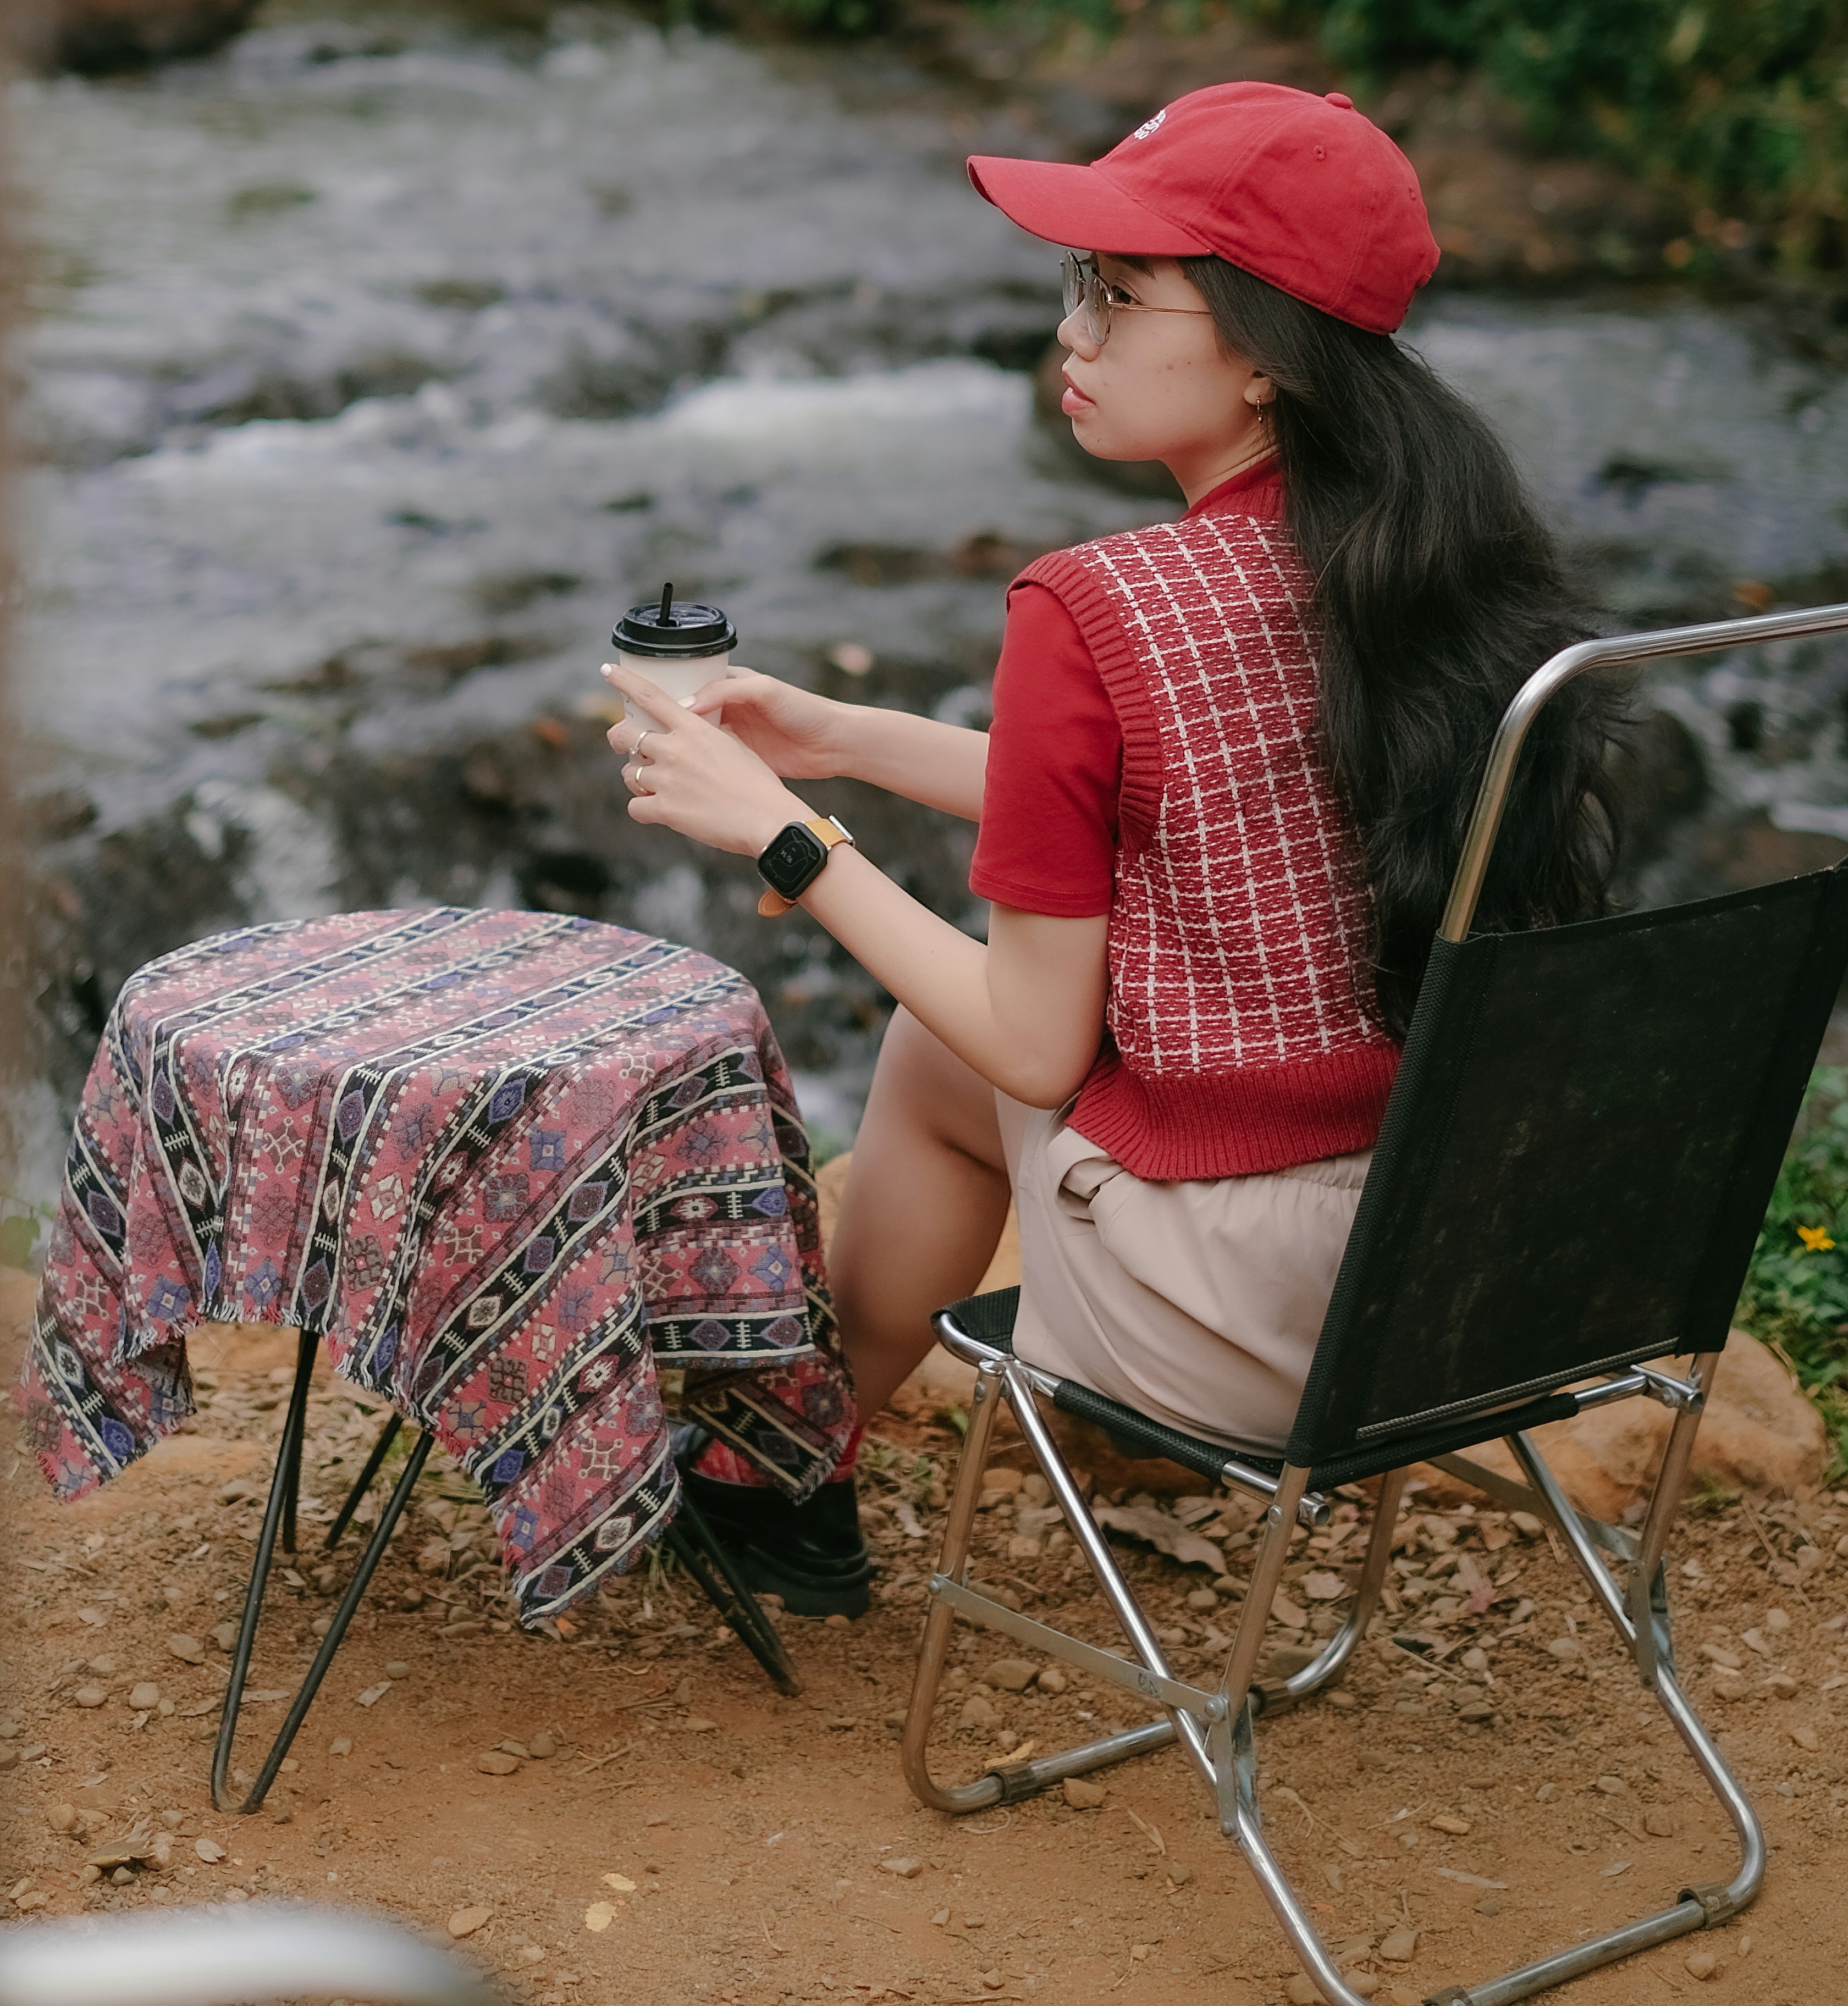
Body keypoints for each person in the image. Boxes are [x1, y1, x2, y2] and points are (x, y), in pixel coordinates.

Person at [605, 81, 1614, 1616]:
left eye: (1122, 297)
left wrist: (788, 836)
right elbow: (1183, 796)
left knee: (948, 1056)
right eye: (1080, 289)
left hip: (1243, 1319)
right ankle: (777, 1473)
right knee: (936, 1062)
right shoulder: (1426, 555)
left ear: (1267, 357)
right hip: (1473, 1258)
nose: (1070, 337)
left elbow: (1031, 1041)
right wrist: (848, 738)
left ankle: (785, 1477)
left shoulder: (1096, 606)